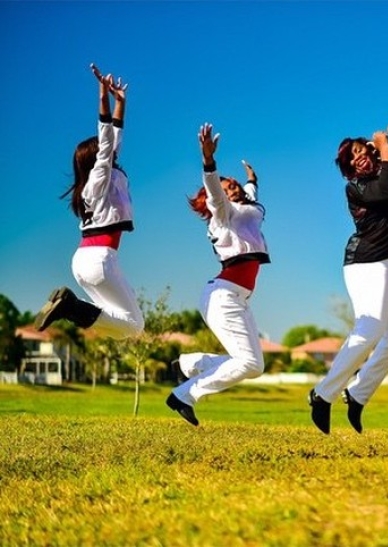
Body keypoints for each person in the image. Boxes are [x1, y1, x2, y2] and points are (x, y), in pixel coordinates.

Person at [308, 125, 388, 434]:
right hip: (369, 263)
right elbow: (386, 191)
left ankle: (357, 394)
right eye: (350, 159)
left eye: (360, 151)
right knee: (371, 328)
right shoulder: (357, 187)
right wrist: (385, 148)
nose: (358, 160)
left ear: (369, 149)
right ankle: (322, 395)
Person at [165, 124, 270, 426]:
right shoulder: (223, 216)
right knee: (248, 362)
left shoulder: (245, 207)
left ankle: (189, 363)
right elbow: (215, 192)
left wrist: (252, 179)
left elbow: (248, 194)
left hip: (236, 298)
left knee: (254, 365)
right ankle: (184, 394)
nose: (233, 188)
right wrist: (209, 162)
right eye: (228, 188)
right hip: (223, 297)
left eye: (234, 184)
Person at [34, 64, 144, 339]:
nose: (111, 149)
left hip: (85, 260)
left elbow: (113, 139)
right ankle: (70, 307)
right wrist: (102, 97)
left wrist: (120, 102)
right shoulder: (99, 179)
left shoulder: (95, 183)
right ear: (96, 159)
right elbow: (107, 142)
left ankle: (71, 307)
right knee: (134, 325)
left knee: (119, 324)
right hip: (100, 260)